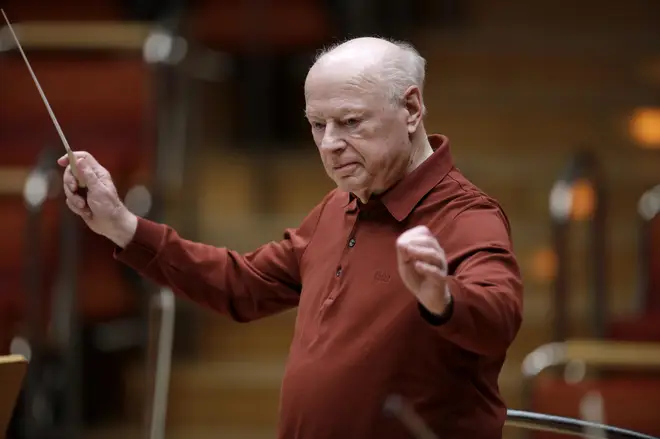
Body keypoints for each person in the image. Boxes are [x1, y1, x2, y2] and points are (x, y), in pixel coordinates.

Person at [58, 37, 523, 439]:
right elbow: (241, 284)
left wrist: (443, 298)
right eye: (318, 125)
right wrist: (121, 224)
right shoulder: (338, 207)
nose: (329, 144)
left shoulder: (466, 215)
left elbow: (500, 315)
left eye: (350, 122)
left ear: (411, 109)